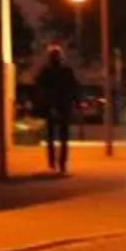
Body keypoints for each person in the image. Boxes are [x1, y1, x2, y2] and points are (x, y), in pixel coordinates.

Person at [35, 44, 82, 176]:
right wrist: (77, 103)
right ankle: (61, 164)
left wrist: (41, 104)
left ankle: (53, 162)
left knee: (51, 136)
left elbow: (39, 88)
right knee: (63, 137)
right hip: (63, 106)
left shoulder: (46, 71)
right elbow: (74, 88)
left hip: (51, 106)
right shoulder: (66, 71)